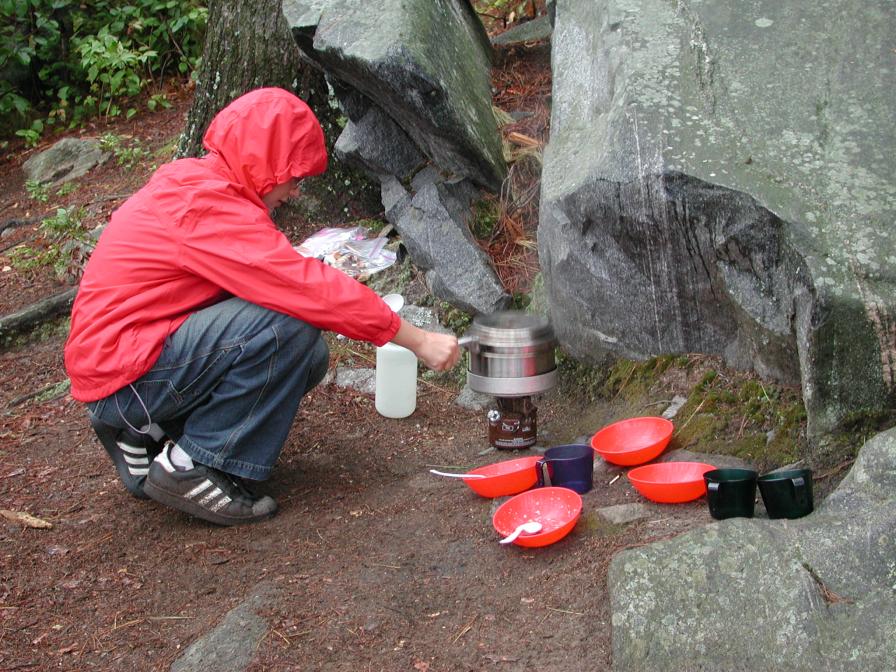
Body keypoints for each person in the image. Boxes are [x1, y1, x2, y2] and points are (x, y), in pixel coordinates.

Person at [64, 87, 460, 526]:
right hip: (125, 375)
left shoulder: (198, 184)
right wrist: (417, 340)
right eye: (294, 176)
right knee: (288, 325)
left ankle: (146, 432)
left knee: (307, 357)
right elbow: (306, 290)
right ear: (266, 159)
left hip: (124, 368)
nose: (294, 192)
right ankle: (188, 466)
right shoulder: (205, 204)